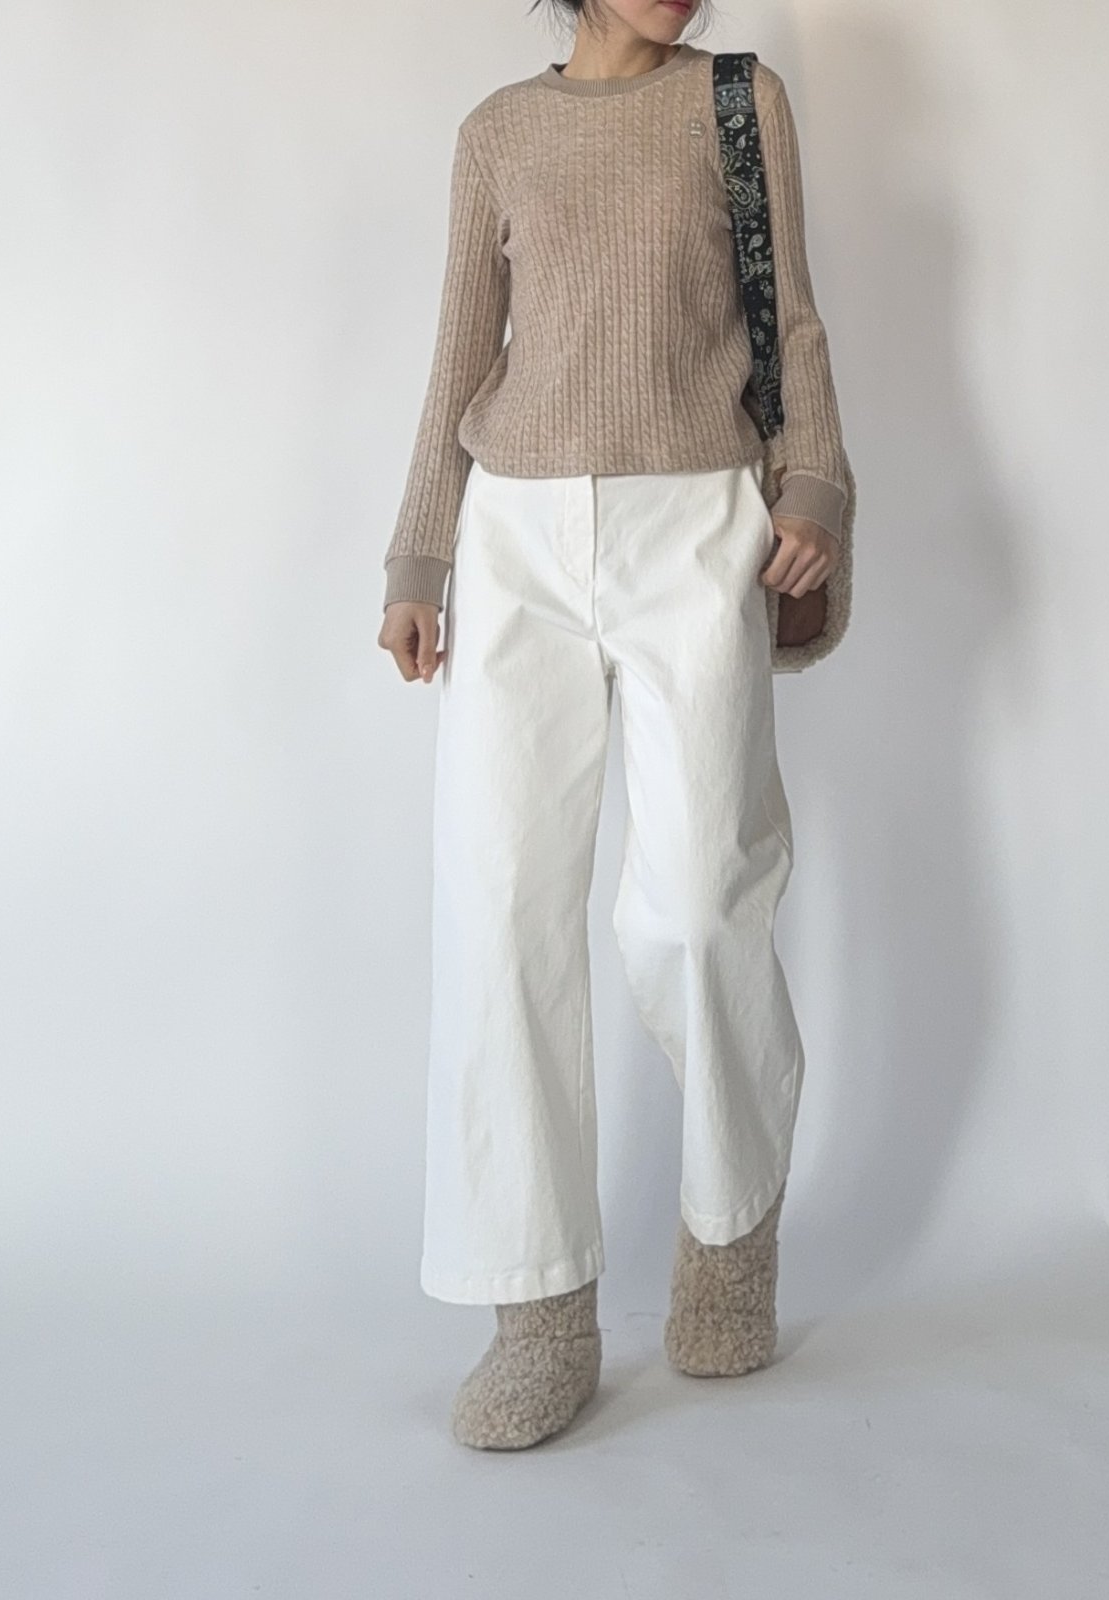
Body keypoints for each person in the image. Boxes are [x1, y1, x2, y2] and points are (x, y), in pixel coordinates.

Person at [376, 0, 851, 1450]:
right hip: (517, 540)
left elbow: (791, 315)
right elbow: (460, 358)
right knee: (502, 908)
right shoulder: (498, 133)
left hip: (695, 525)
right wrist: (419, 558)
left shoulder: (739, 105)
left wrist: (816, 486)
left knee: (700, 901)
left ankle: (730, 1231)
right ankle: (539, 1310)